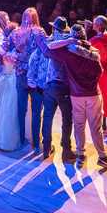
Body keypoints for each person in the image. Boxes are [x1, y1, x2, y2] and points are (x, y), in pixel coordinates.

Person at [44, 24, 107, 170]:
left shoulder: (68, 53)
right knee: (96, 128)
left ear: (72, 38)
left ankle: (80, 155)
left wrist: (66, 41)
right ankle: (102, 157)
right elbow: (100, 72)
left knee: (79, 126)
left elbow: (48, 48)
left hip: (76, 96)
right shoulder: (94, 53)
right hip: (93, 95)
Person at [40, 17, 77, 162]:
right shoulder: (67, 43)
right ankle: (66, 150)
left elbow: (49, 45)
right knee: (67, 119)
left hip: (50, 85)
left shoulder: (52, 42)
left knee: (48, 117)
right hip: (63, 86)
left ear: (55, 29)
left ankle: (46, 148)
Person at [8, 8, 43, 147]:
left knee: (21, 110)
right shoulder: (40, 32)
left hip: (21, 74)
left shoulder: (16, 32)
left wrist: (15, 56)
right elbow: (45, 52)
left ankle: (21, 139)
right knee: (36, 111)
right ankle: (36, 142)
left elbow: (5, 48)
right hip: (35, 77)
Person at [26, 31, 54, 158]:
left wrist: (33, 84)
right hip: (49, 90)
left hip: (37, 89)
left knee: (36, 116)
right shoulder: (52, 53)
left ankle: (36, 145)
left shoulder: (35, 53)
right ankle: (46, 147)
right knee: (47, 117)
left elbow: (30, 74)